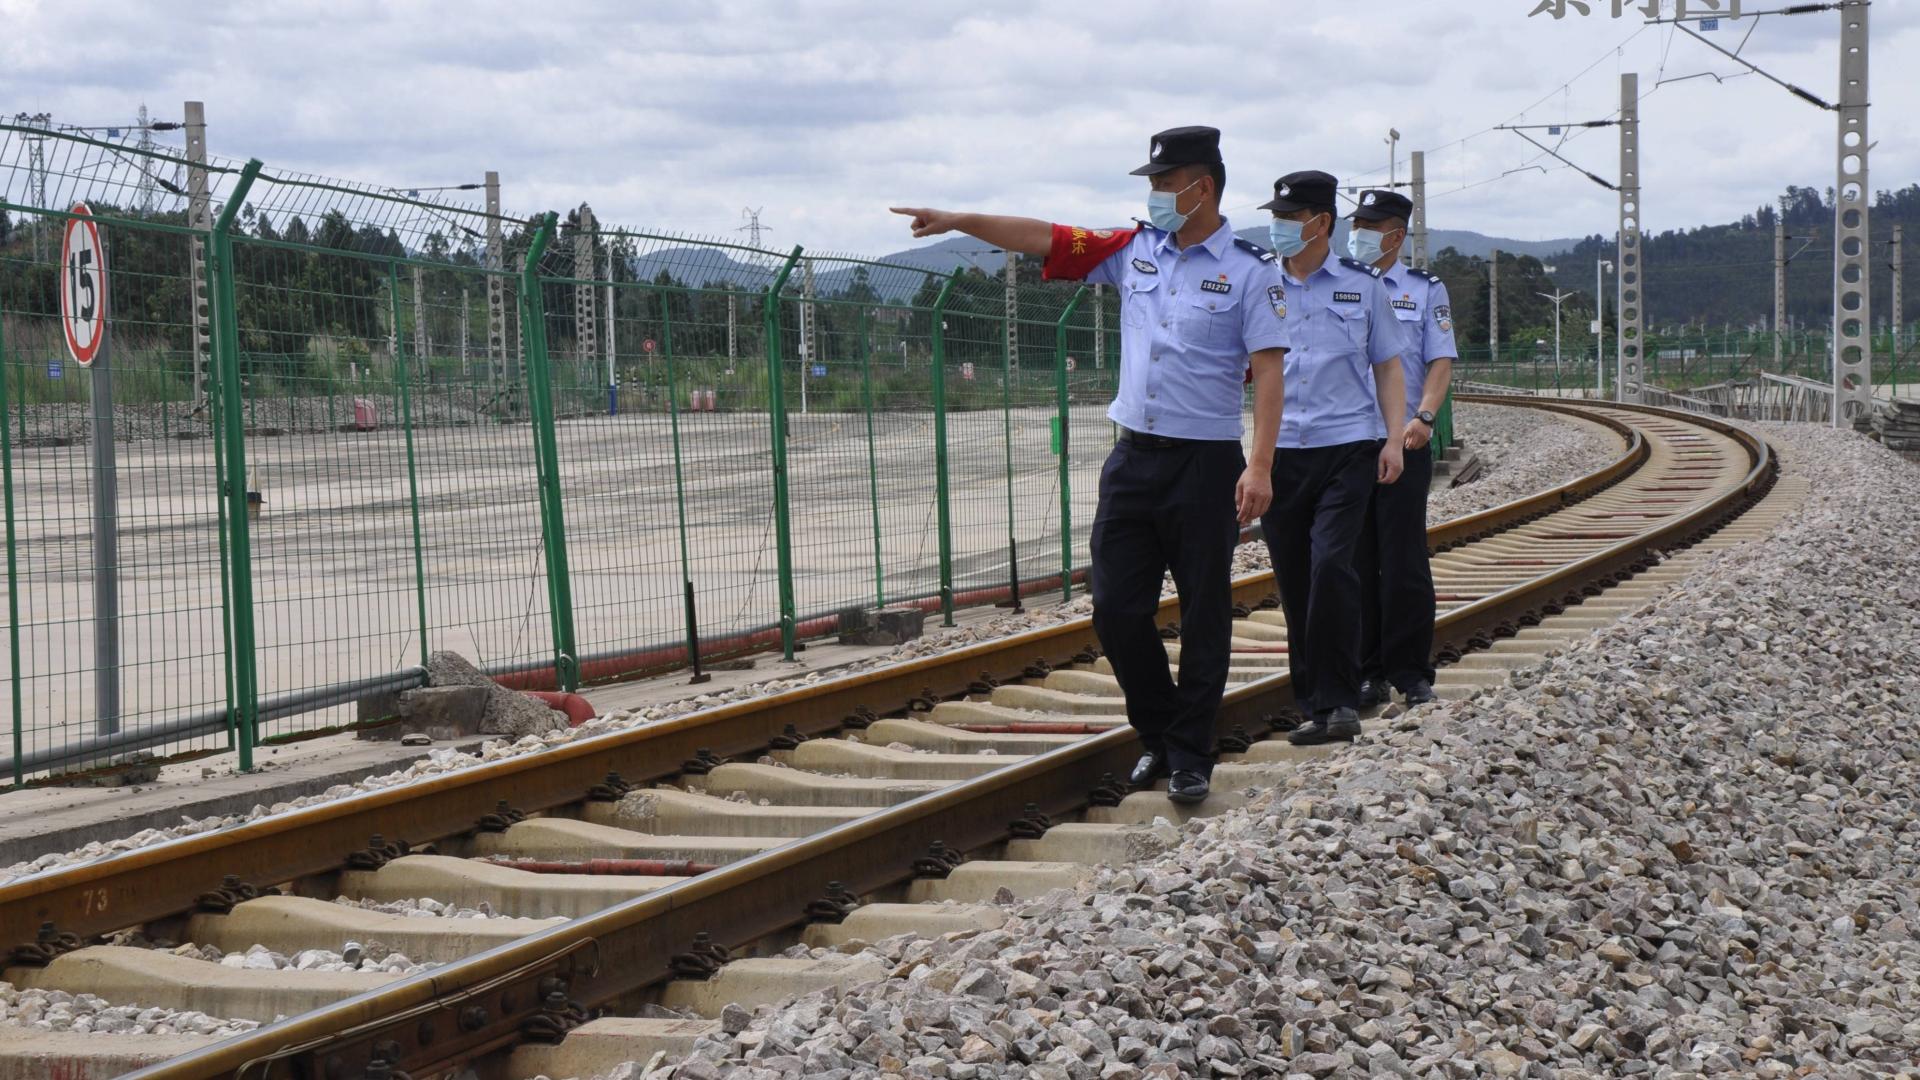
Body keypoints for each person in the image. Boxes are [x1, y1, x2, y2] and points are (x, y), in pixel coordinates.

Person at [891, 125, 1290, 804]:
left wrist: (1259, 466)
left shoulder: (1252, 272)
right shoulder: (1134, 250)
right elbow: (1045, 236)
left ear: (1204, 186)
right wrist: (960, 218)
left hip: (1205, 463)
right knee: (1114, 609)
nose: (1157, 195)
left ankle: (1190, 754)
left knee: (1204, 613)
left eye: (1166, 183)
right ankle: (1160, 731)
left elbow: (1271, 373)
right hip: (1132, 458)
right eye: (1154, 186)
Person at [1255, 170, 1407, 747]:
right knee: (1295, 580)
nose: (1279, 228)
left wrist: (1393, 438)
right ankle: (1314, 705)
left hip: (1347, 447)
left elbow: (1387, 365)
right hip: (1282, 453)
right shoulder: (1259, 282)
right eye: (1277, 217)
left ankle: (1341, 701)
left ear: (1321, 224)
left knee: (1331, 568)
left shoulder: (1362, 286)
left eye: (1290, 219)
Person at [1349, 189, 1457, 709]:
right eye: (1357, 224)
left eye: (1371, 226)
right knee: (1353, 559)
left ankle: (1411, 671)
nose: (1360, 234)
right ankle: (1366, 671)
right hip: (1347, 442)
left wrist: (1425, 418)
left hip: (1405, 440)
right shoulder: (1340, 284)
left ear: (1395, 235)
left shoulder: (1424, 291)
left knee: (1404, 559)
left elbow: (1440, 362)